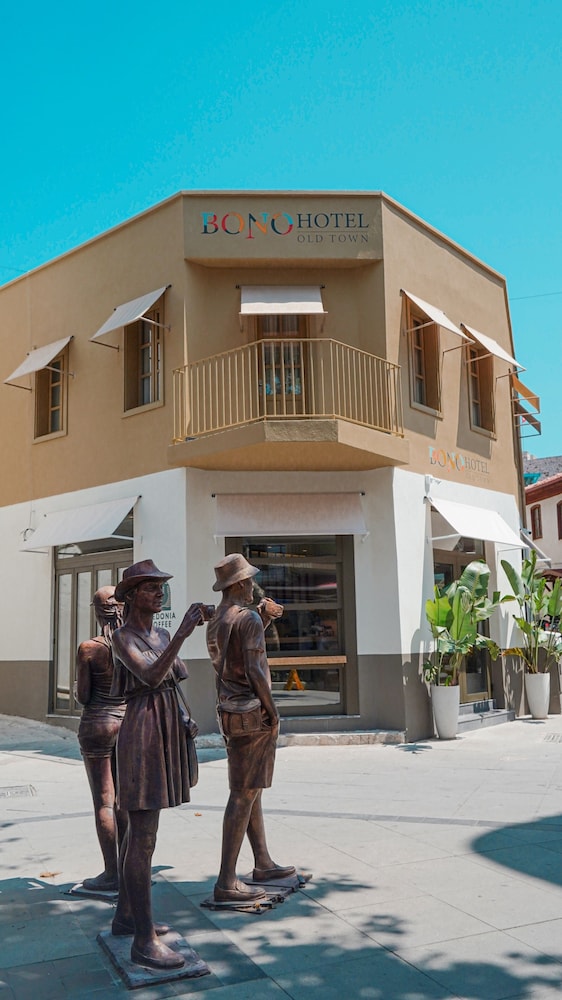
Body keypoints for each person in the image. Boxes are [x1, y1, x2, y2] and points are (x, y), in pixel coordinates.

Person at [109, 559, 209, 970]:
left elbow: (170, 677)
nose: (160, 594)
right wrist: (183, 634)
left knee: (140, 831)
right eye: (151, 588)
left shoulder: (159, 633)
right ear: (132, 596)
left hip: (165, 727)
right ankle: (143, 942)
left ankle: (127, 916)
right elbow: (150, 676)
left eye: (161, 587)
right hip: (142, 734)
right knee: (142, 835)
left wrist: (183, 714)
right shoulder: (122, 637)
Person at [206, 553, 295, 903]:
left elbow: (236, 655)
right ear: (240, 584)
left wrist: (263, 618)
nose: (252, 587)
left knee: (250, 787)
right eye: (249, 582)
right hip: (252, 713)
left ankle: (262, 862)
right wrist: (273, 712)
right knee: (243, 794)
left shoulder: (217, 619)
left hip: (229, 711)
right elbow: (256, 670)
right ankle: (227, 880)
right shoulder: (247, 620)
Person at [76, 586, 127, 892]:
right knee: (124, 801)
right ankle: (128, 867)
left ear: (97, 613)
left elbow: (82, 696)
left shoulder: (89, 648)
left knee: (103, 802)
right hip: (127, 723)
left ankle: (111, 873)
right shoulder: (133, 642)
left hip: (97, 723)